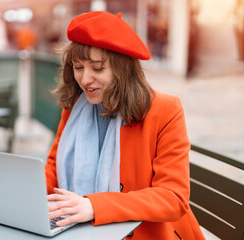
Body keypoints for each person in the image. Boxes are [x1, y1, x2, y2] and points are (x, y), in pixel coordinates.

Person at [45, 11, 205, 239]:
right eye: (78, 67)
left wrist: (93, 206)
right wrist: (23, 191)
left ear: (123, 70)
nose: (85, 79)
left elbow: (173, 198)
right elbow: (54, 168)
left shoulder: (165, 110)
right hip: (83, 230)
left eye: (97, 68)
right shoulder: (74, 107)